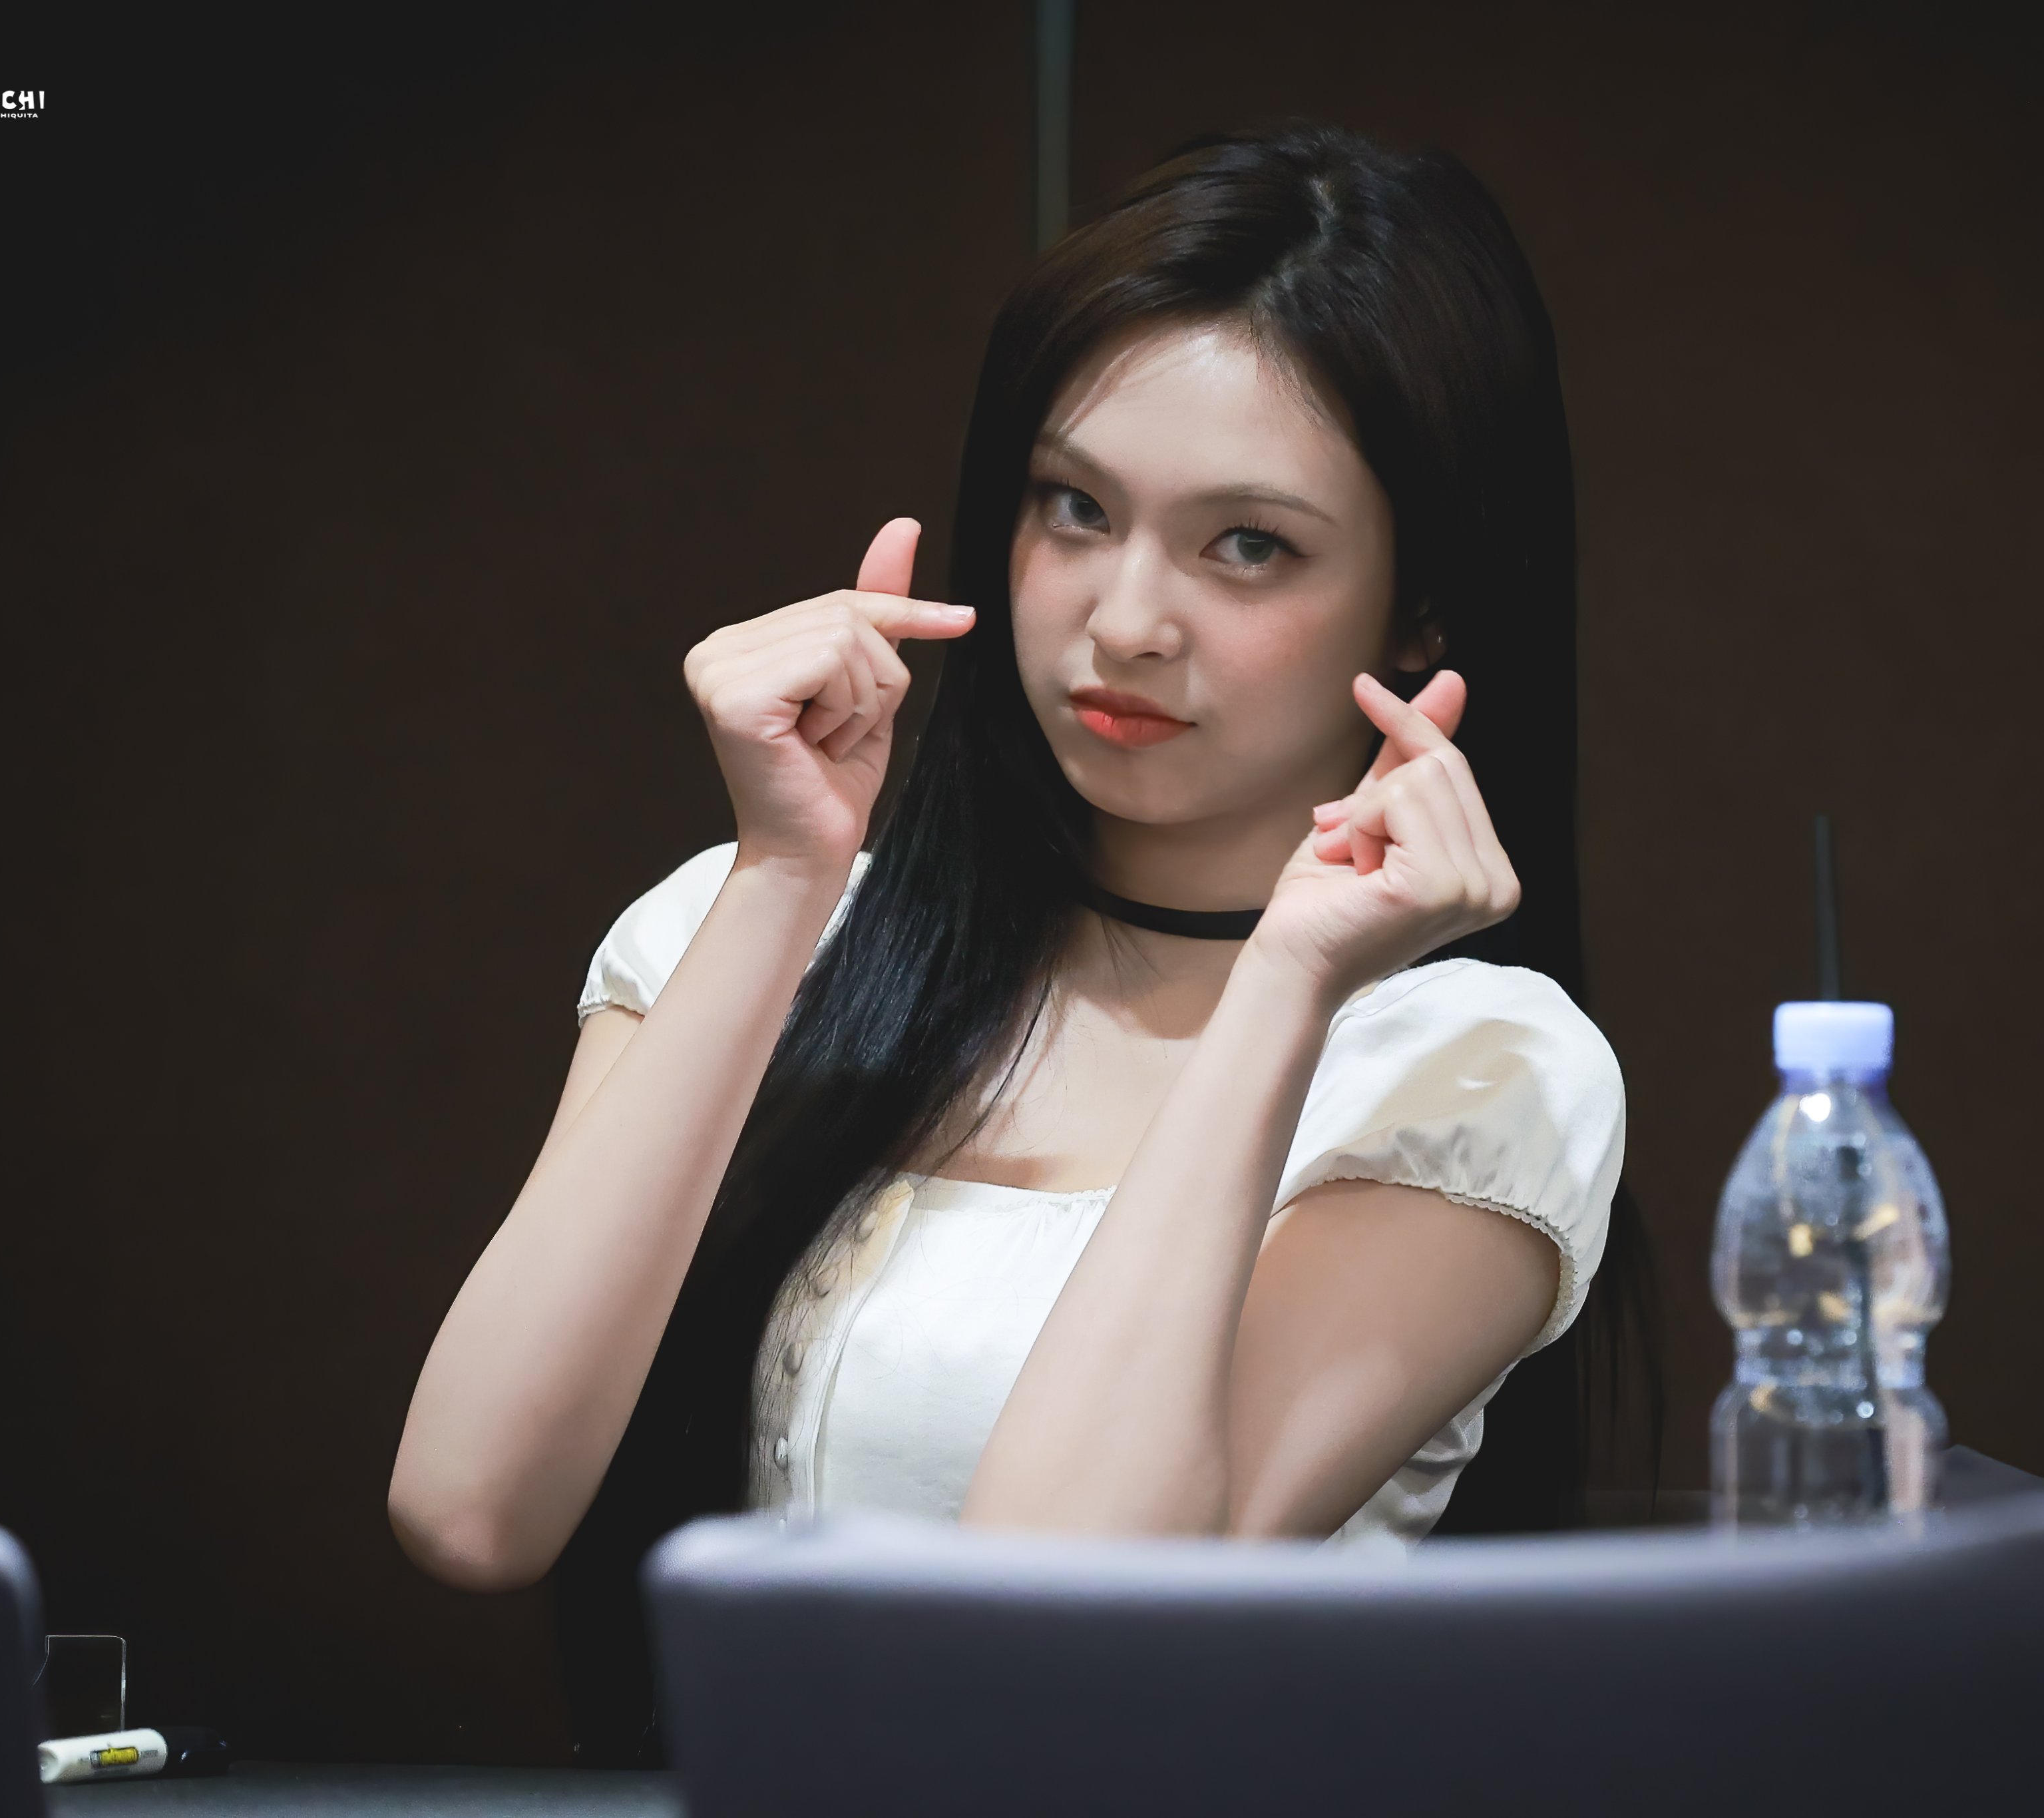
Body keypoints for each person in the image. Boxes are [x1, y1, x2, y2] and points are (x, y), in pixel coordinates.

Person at [388, 122, 1657, 1760]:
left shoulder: (1473, 1070)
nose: (1123, 620)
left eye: (1247, 545)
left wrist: (1281, 985)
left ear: (1420, 609)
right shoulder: (740, 919)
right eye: (1074, 507)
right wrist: (784, 873)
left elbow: (1050, 1635)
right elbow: (471, 1504)